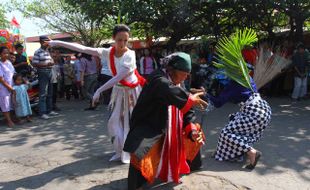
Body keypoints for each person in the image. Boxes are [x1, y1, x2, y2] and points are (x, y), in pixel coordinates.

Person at [49, 24, 146, 164]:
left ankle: (133, 152)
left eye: (125, 40)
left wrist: (99, 90)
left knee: (131, 122)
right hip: (118, 90)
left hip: (132, 91)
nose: (123, 43)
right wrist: (57, 42)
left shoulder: (130, 54)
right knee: (113, 122)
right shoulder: (108, 52)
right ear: (113, 38)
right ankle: (120, 152)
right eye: (119, 40)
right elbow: (83, 48)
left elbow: (119, 76)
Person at [124, 52, 207, 190]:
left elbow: (186, 108)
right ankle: (138, 183)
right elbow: (169, 91)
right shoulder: (157, 78)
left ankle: (190, 163)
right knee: (140, 149)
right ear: (172, 70)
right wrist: (191, 99)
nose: (186, 77)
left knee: (195, 131)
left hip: (172, 125)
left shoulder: (179, 83)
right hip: (151, 123)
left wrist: (191, 128)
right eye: (184, 73)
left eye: (188, 74)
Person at [204, 77, 272, 169]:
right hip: (264, 108)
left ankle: (251, 152)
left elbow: (218, 103)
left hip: (254, 113)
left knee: (226, 133)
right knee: (233, 119)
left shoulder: (233, 85)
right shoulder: (246, 77)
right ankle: (236, 153)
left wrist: (205, 94)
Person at [32, 36, 58, 119]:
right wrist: (46, 64)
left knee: (50, 92)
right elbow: (35, 64)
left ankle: (49, 110)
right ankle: (42, 113)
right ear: (43, 42)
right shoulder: (38, 52)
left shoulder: (47, 51)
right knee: (43, 93)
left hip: (50, 71)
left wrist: (52, 61)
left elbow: (52, 61)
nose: (49, 43)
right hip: (43, 72)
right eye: (48, 41)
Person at [0, 46, 16, 127]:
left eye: (7, 53)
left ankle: (13, 118)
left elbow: (13, 74)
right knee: (5, 104)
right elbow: (1, 79)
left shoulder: (9, 63)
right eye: (4, 53)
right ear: (0, 54)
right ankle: (8, 120)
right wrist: (9, 87)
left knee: (11, 103)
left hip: (11, 85)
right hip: (3, 87)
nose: (6, 55)